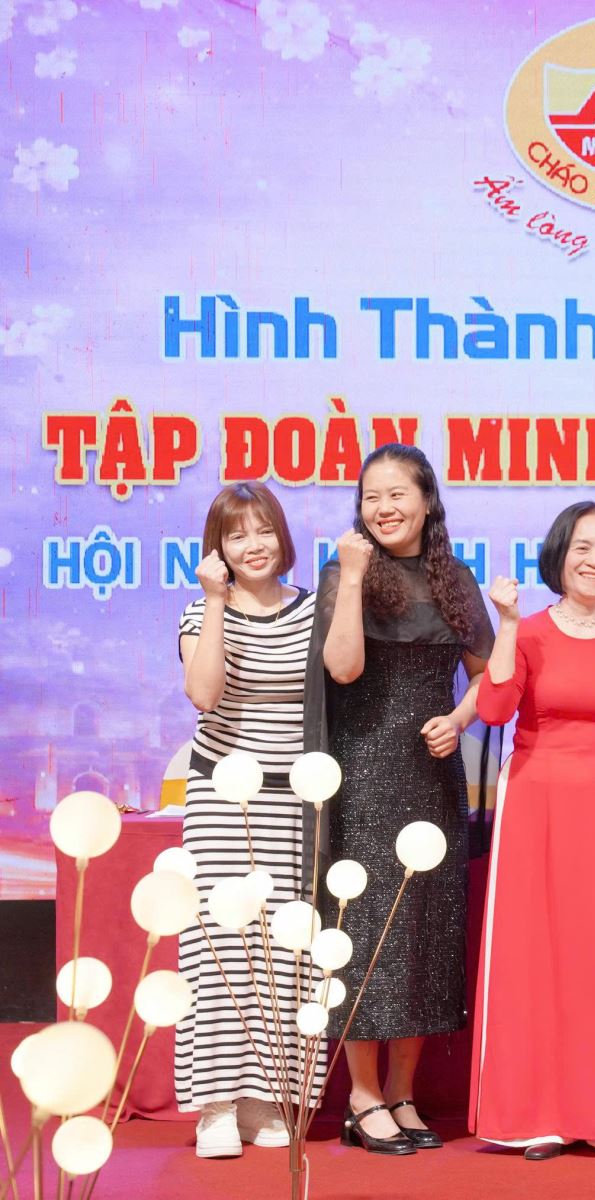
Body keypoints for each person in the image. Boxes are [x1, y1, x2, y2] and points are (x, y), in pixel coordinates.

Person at [304, 444, 492, 1155]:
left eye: (397, 494)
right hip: (361, 773)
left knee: (423, 931)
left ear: (427, 500)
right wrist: (353, 576)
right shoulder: (342, 573)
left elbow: (490, 674)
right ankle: (362, 1097)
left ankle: (404, 1092)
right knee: (365, 929)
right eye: (370, 496)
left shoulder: (454, 578)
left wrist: (461, 718)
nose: (383, 508)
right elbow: (344, 668)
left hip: (431, 774)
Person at [469, 501, 595, 1159]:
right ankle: (540, 1114)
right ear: (559, 554)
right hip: (537, 804)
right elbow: (495, 708)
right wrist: (505, 624)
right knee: (537, 957)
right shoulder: (528, 632)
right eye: (583, 547)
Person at [177, 482, 324, 1158]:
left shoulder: (314, 609)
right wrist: (215, 600)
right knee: (220, 949)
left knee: (283, 953)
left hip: (295, 800)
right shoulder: (200, 611)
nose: (253, 545)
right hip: (221, 797)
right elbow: (204, 694)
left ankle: (268, 1098)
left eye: (263, 530)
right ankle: (214, 1106)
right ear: (218, 548)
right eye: (236, 535)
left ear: (281, 537)